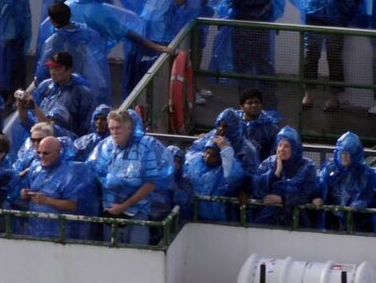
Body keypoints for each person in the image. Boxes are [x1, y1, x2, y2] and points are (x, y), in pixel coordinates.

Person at [86, 109, 174, 238]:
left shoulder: (146, 147)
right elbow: (96, 173)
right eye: (111, 129)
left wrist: (124, 205)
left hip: (137, 212)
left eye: (118, 128)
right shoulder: (104, 146)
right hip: (109, 211)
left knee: (137, 253)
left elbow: (150, 184)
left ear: (129, 128)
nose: (114, 132)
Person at [249, 127, 323, 227]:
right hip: (267, 221)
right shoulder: (269, 163)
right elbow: (257, 187)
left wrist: (282, 199)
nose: (281, 150)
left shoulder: (307, 166)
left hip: (298, 222)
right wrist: (274, 174)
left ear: (295, 148)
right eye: (280, 145)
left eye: (286, 146)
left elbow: (307, 192)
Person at [183, 127, 247, 223]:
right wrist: (211, 135)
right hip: (191, 216)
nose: (208, 157)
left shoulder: (225, 170)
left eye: (213, 156)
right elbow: (194, 148)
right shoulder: (195, 161)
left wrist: (226, 150)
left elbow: (233, 176)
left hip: (216, 219)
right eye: (207, 153)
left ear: (221, 157)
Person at [320, 131, 376, 232]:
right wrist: (319, 197)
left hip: (357, 228)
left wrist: (362, 203)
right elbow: (320, 186)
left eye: (349, 153)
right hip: (332, 225)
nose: (344, 156)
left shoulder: (366, 174)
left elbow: (370, 196)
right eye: (342, 152)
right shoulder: (330, 169)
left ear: (355, 154)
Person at [30, 50, 95, 138]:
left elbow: (87, 126)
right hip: (39, 136)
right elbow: (31, 114)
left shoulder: (82, 93)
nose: (52, 72)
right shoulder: (44, 86)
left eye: (57, 68)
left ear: (69, 70)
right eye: (51, 68)